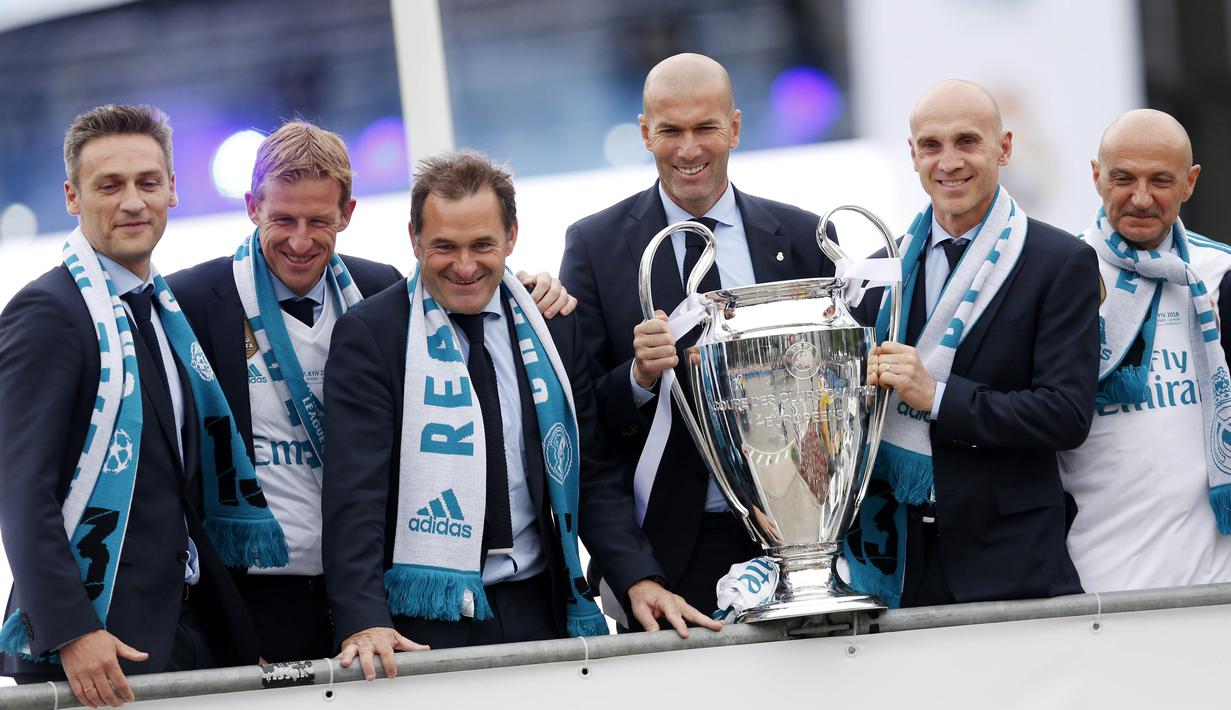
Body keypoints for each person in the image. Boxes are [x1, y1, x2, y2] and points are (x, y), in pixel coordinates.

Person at [167, 121, 576, 663]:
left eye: (319, 220)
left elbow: (464, 284)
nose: (300, 240)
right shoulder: (190, 301)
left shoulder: (383, 289)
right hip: (256, 596)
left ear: (348, 213)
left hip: (374, 588)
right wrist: (217, 626)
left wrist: (527, 289)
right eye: (282, 219)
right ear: (251, 207)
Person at [322, 150, 716, 682]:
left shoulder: (553, 323)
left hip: (542, 608)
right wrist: (364, 619)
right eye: (445, 247)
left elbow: (589, 470)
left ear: (512, 237)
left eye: (483, 245)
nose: (465, 266)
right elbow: (354, 493)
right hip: (420, 625)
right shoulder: (372, 333)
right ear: (414, 240)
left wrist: (637, 577)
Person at [559, 53, 837, 620]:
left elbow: (837, 396)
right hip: (667, 559)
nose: (689, 150)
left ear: (734, 127)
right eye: (671, 131)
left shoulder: (805, 237)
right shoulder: (595, 246)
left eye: (705, 128)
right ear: (645, 133)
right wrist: (638, 378)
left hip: (799, 540)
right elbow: (580, 420)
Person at [0, 105, 260, 706]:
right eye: (109, 186)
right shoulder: (49, 312)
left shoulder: (165, 313)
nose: (133, 202)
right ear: (73, 197)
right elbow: (20, 489)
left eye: (147, 182)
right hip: (95, 648)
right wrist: (72, 630)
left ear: (172, 189)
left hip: (186, 633)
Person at [843, 80, 1099, 608]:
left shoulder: (1059, 261)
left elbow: (1065, 416)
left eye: (967, 141)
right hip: (894, 558)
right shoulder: (877, 271)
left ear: (1003, 148)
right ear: (912, 155)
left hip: (1010, 562)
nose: (949, 162)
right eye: (931, 145)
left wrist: (937, 396)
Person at [1059, 109, 1231, 592]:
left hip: (1216, 586)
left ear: (1190, 182)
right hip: (1097, 587)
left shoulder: (1220, 274)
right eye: (1122, 178)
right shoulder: (1057, 275)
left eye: (1160, 180)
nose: (1140, 197)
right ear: (1096, 176)